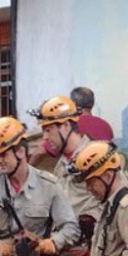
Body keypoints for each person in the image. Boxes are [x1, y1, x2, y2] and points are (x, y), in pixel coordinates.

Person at [0, 115, 79, 256]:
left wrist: (49, 244)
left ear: (20, 152)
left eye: (3, 154)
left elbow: (71, 228)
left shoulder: (49, 184)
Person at [35, 95, 101, 236]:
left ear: (65, 126)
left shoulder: (96, 157)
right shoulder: (61, 165)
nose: (45, 138)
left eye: (48, 130)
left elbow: (117, 200)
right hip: (66, 244)